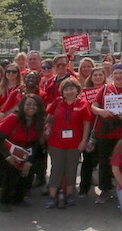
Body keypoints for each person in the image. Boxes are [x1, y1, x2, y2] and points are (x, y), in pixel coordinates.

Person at [89, 64, 122, 204]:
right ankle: (104, 189)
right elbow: (93, 106)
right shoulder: (105, 88)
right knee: (104, 161)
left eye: (121, 73)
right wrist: (101, 112)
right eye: (115, 73)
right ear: (112, 74)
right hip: (105, 131)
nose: (118, 76)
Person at [0, 94, 46, 212]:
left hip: (23, 151)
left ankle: (18, 199)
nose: (31, 107)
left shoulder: (38, 121)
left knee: (28, 171)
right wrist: (8, 156)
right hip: (2, 151)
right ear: (22, 105)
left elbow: (36, 145)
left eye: (35, 105)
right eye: (28, 104)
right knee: (12, 172)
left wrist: (29, 163)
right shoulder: (12, 118)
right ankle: (3, 201)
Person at [44, 77, 92, 209]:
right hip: (56, 142)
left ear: (77, 89)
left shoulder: (83, 104)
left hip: (74, 143)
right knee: (57, 169)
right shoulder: (57, 102)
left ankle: (69, 194)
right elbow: (47, 118)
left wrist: (84, 140)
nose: (69, 91)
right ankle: (52, 196)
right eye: (66, 89)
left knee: (71, 169)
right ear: (62, 91)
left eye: (72, 88)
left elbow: (86, 123)